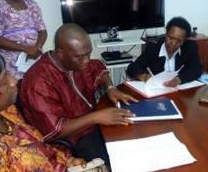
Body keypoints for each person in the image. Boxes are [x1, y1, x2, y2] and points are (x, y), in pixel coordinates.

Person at [19, 23, 138, 170]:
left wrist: (110, 87)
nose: (87, 60)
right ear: (61, 53)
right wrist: (96, 117)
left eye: (89, 54)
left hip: (94, 124)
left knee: (133, 140)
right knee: (117, 163)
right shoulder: (38, 82)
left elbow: (98, 67)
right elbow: (55, 130)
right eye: (81, 57)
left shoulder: (76, 60)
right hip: (73, 139)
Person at [0, 45, 85, 171]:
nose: (14, 81)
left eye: (8, 74)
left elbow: (38, 148)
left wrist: (67, 161)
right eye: (4, 81)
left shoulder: (7, 110)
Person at [126, 16, 203, 87]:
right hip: (157, 90)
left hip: (178, 90)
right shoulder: (153, 48)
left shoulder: (189, 47)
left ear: (184, 40)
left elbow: (196, 69)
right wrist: (144, 76)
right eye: (170, 38)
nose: (173, 43)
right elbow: (132, 68)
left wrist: (178, 79)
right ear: (166, 33)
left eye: (179, 41)